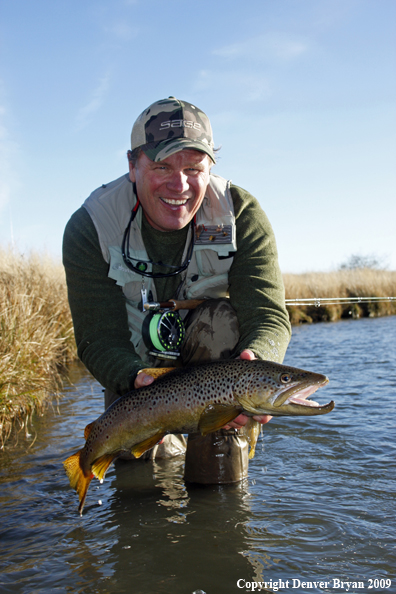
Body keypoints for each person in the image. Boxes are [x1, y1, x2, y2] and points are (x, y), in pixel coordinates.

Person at [63, 96, 292, 484]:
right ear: (132, 166)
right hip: (138, 379)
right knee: (141, 486)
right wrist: (132, 379)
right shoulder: (92, 226)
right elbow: (98, 338)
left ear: (210, 168)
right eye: (161, 166)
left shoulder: (241, 214)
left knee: (220, 499)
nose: (179, 183)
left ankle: (218, 485)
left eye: (193, 167)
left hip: (219, 376)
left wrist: (257, 366)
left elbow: (267, 315)